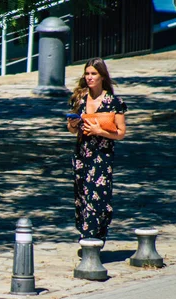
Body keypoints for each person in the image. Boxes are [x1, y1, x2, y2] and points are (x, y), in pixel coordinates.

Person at [67, 58, 127, 247]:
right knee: (82, 196)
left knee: (98, 196)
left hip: (101, 156)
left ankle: (93, 237)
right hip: (81, 154)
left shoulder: (114, 102)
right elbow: (71, 130)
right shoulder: (80, 98)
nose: (90, 77)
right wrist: (72, 125)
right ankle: (85, 234)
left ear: (102, 76)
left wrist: (99, 132)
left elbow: (121, 133)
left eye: (94, 74)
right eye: (87, 74)